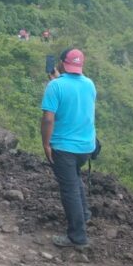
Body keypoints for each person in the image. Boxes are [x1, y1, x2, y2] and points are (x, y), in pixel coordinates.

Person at [40, 48, 97, 248]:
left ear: (62, 63)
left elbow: (48, 119)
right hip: (86, 147)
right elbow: (75, 97)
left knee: (69, 189)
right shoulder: (90, 84)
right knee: (75, 178)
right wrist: (58, 79)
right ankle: (85, 214)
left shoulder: (55, 87)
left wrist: (46, 144)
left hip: (64, 147)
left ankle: (77, 237)